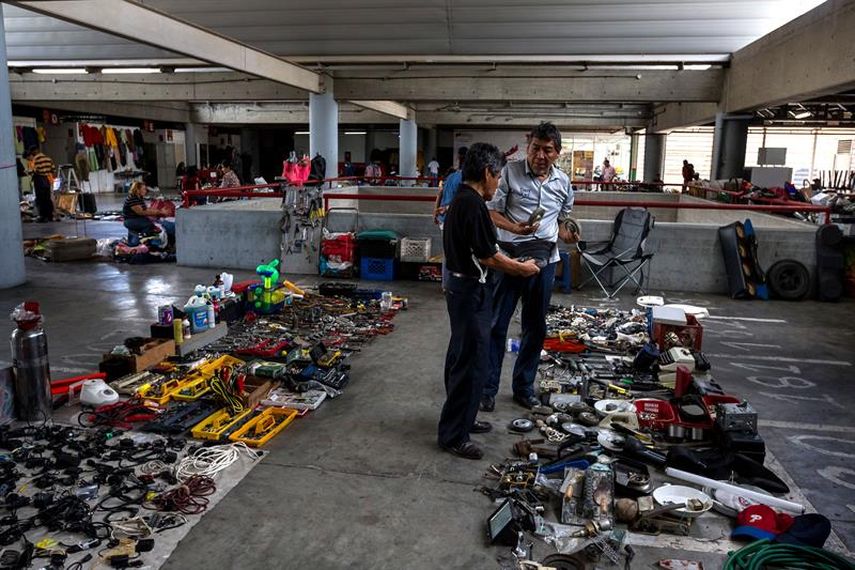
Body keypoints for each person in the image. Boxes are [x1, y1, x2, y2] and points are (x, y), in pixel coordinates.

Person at [438, 143, 540, 460]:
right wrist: (521, 268)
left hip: (465, 289)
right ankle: (453, 436)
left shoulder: (467, 202)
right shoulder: (471, 204)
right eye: (497, 176)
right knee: (470, 363)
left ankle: (464, 420)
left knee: (464, 357)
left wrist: (514, 240)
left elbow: (485, 246)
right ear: (486, 173)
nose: (498, 184)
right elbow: (488, 256)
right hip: (469, 292)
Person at [481, 122, 579, 412]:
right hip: (509, 259)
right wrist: (515, 228)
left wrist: (567, 234)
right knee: (498, 324)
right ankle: (487, 389)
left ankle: (523, 388)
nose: (539, 155)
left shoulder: (563, 183)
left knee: (535, 327)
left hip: (545, 261)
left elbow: (561, 221)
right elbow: (491, 212)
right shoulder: (509, 173)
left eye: (547, 150)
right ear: (528, 147)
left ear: (557, 153)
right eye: (535, 148)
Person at [434, 146, 468, 289]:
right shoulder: (464, 179)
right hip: (453, 220)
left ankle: (446, 285)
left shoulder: (451, 176)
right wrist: (446, 208)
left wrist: (435, 212)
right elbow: (459, 200)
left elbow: (439, 194)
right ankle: (450, 285)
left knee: (448, 253)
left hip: (443, 219)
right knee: (454, 253)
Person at [123, 181, 175, 245]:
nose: (146, 191)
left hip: (136, 219)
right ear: (138, 190)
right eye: (144, 189)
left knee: (155, 222)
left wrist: (159, 211)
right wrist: (160, 212)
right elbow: (142, 212)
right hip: (131, 220)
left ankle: (138, 241)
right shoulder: (133, 198)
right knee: (148, 224)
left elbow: (146, 209)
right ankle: (143, 242)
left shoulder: (139, 198)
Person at [25, 146, 56, 222]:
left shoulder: (35, 159)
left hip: (39, 180)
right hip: (47, 180)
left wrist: (28, 172)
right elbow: (53, 170)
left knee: (41, 199)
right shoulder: (48, 158)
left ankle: (43, 217)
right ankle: (50, 216)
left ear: (34, 151)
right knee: (47, 198)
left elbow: (34, 170)